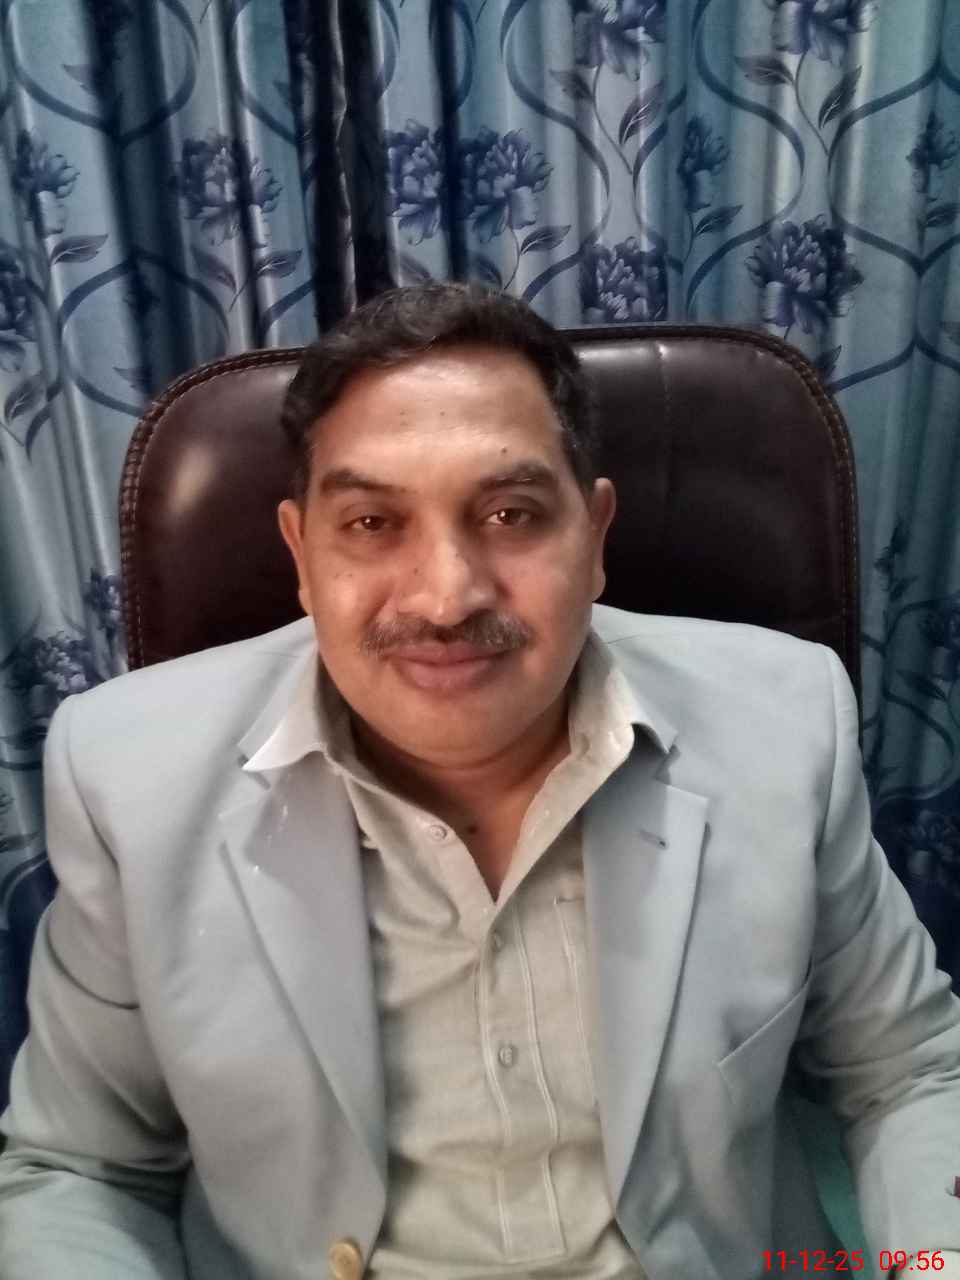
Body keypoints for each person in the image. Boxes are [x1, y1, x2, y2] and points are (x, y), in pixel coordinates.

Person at [0, 284, 957, 1280]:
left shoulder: (783, 722)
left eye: (510, 513)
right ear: (301, 555)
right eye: (372, 521)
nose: (447, 595)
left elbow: (910, 1070)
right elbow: (81, 1168)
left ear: (594, 536)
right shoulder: (128, 778)